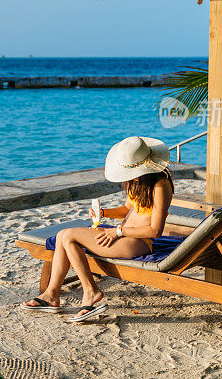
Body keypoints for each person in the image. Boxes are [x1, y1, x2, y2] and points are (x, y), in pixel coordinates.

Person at [20, 136, 174, 322]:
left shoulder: (160, 185)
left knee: (67, 236)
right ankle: (52, 295)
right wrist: (102, 212)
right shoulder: (136, 181)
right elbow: (126, 209)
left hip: (139, 242)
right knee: (63, 237)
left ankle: (88, 291)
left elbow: (154, 230)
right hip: (122, 236)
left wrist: (117, 232)